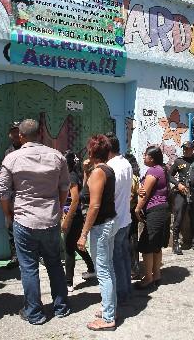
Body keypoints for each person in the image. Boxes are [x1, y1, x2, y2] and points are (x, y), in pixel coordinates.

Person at [0, 119, 71, 325]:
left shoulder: (12, 158)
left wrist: (8, 214)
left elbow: (2, 191)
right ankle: (61, 307)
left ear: (20, 136)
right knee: (55, 263)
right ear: (40, 135)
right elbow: (64, 187)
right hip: (50, 219)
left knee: (28, 268)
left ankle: (35, 313)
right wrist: (56, 207)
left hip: (24, 219)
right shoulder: (57, 156)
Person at [77, 135, 117, 331]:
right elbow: (89, 191)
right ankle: (109, 308)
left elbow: (93, 206)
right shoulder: (106, 170)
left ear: (92, 152)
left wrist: (83, 234)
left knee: (103, 271)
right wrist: (86, 171)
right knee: (107, 268)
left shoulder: (99, 172)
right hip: (108, 223)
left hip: (100, 226)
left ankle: (109, 317)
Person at [134, 145, 171, 289]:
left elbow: (145, 194)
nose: (143, 157)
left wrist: (137, 209)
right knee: (156, 245)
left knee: (147, 244)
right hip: (162, 209)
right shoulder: (162, 169)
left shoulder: (153, 170)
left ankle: (148, 277)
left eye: (145, 155)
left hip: (155, 210)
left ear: (152, 158)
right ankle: (156, 275)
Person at [61, 150, 96, 292]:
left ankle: (68, 282)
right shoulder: (72, 175)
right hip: (72, 216)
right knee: (75, 245)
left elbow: (75, 200)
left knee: (69, 249)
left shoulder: (71, 177)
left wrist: (66, 220)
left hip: (73, 217)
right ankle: (92, 268)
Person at [105, 133, 133, 304]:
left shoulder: (110, 167)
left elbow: (110, 195)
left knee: (116, 259)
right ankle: (126, 289)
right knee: (123, 256)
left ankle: (121, 294)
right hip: (124, 217)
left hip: (115, 219)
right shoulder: (126, 163)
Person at [169, 141, 194, 254]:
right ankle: (176, 244)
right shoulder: (178, 161)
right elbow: (169, 175)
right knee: (179, 217)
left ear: (193, 149)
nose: (186, 151)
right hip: (182, 192)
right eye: (184, 149)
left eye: (188, 149)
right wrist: (178, 184)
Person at [4, 122, 21, 268]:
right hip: (12, 195)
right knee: (11, 227)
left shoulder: (29, 149)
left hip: (27, 194)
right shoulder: (8, 152)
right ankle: (15, 256)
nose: (15, 135)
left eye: (17, 132)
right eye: (13, 132)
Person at [124, 153, 141, 279]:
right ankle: (135, 267)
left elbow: (129, 196)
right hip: (132, 210)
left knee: (129, 240)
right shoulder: (135, 176)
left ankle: (132, 268)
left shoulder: (129, 177)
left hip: (127, 211)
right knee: (133, 238)